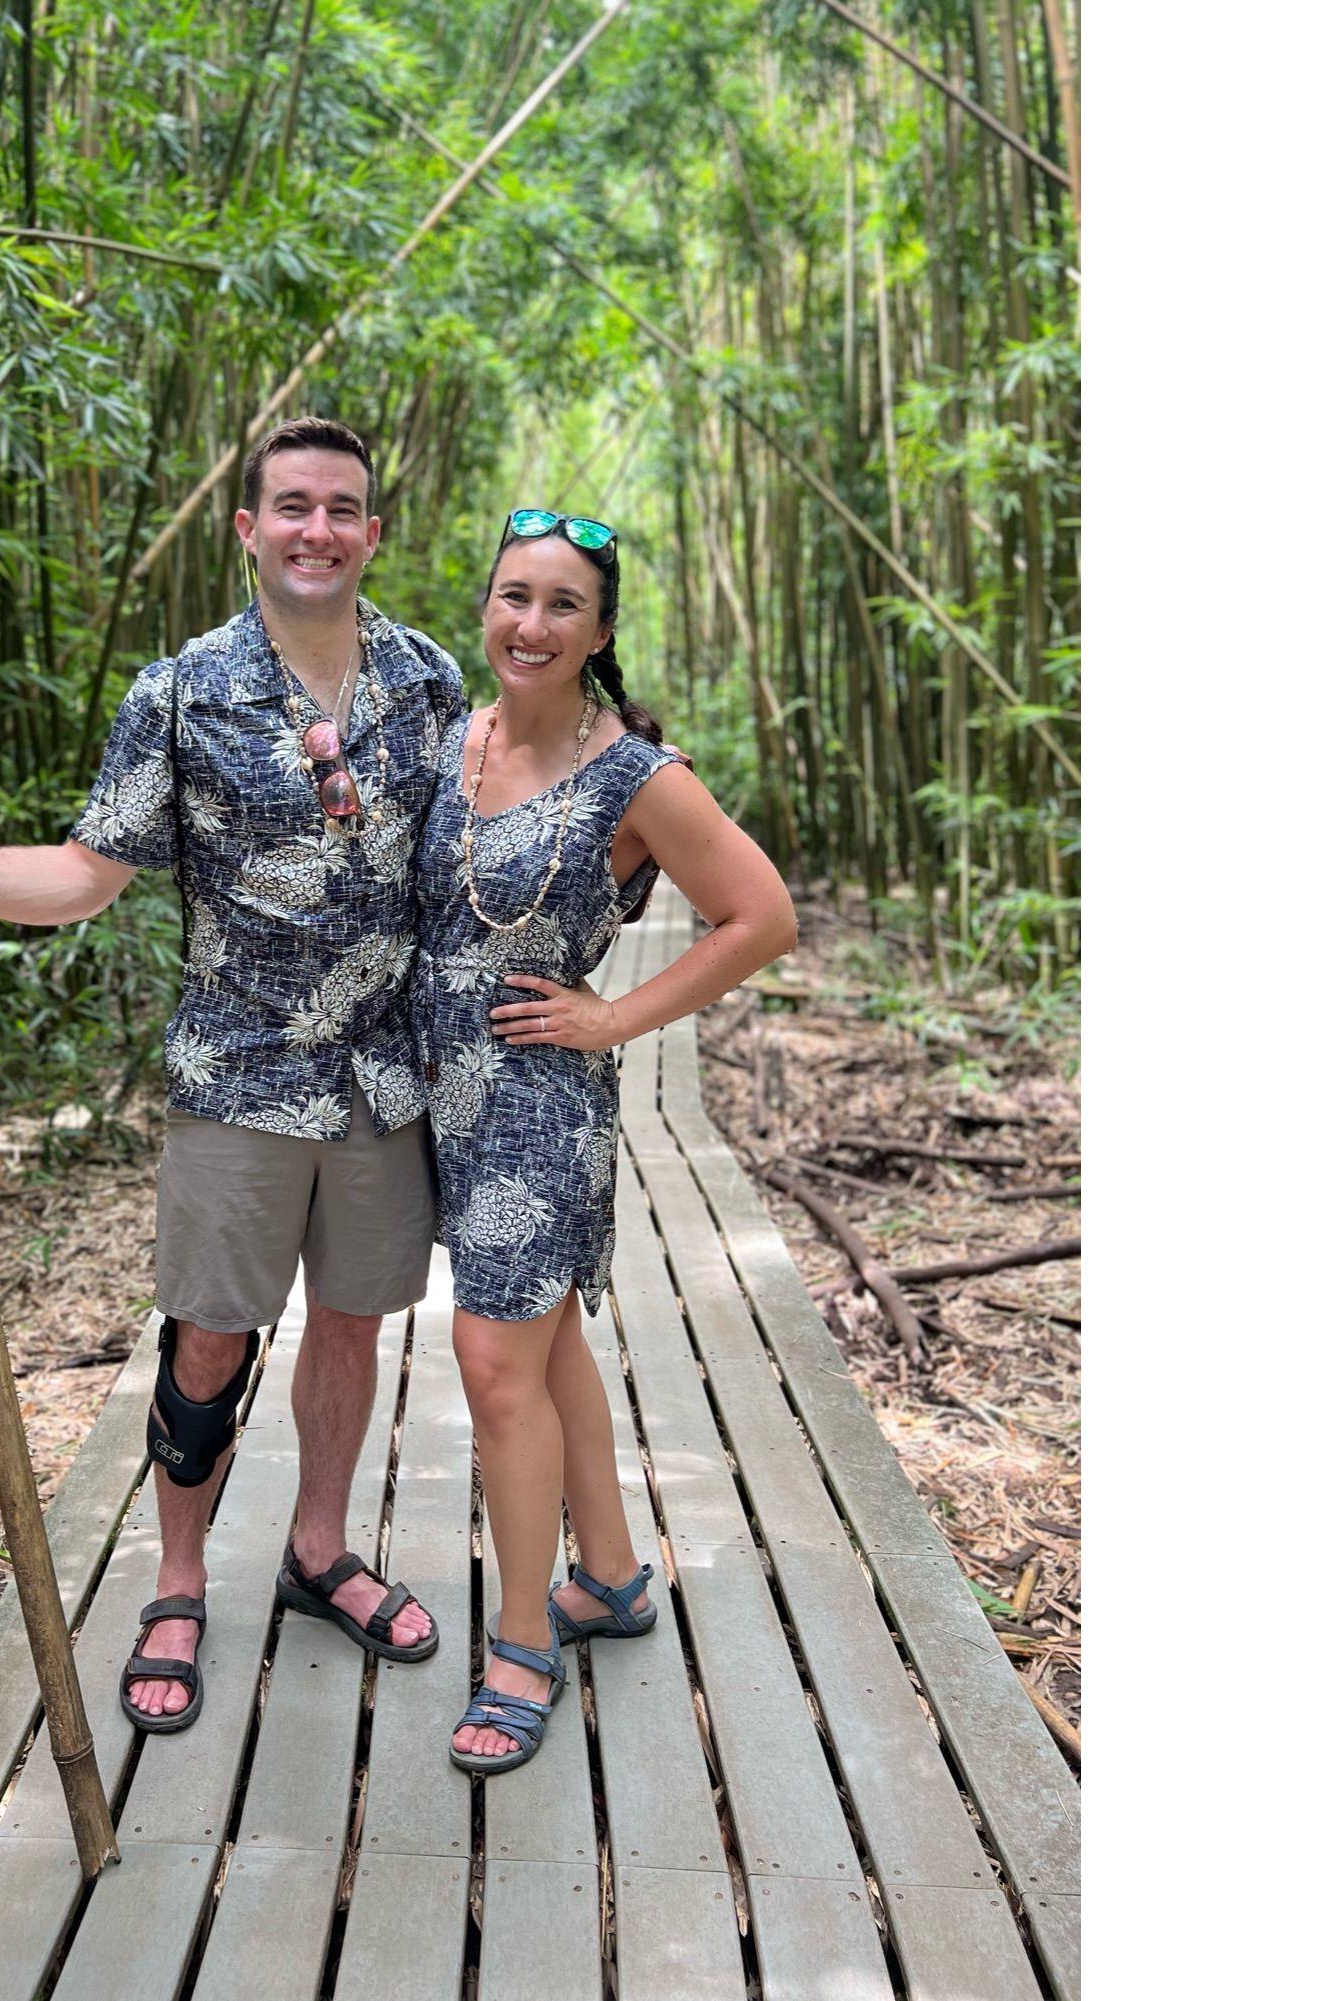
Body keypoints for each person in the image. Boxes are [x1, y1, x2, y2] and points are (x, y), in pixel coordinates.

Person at [0, 419, 462, 1733]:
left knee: (350, 1322)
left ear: (372, 532)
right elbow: (84, 873)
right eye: (292, 506)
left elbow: (470, 864)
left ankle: (318, 1549)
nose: (317, 531)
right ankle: (179, 1580)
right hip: (239, 1070)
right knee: (210, 1336)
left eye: (342, 509)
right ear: (248, 528)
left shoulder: (431, 683)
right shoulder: (181, 690)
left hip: (384, 1081)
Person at [412, 507, 797, 1772]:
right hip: (441, 1095)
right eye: (515, 597)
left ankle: (522, 1641)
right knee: (548, 1339)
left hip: (538, 1093)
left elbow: (761, 915)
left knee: (493, 1364)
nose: (532, 624)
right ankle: (615, 1578)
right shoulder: (450, 740)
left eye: (563, 605)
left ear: (600, 631)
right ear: (487, 607)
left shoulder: (637, 772)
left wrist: (615, 1013)